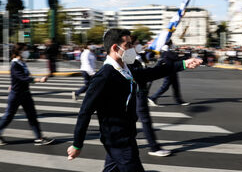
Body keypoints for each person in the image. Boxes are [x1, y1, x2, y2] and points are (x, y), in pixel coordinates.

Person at [67, 29, 202, 171]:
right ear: (115, 47)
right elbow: (85, 111)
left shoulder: (126, 69)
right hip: (118, 140)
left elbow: (152, 73)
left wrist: (184, 64)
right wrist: (77, 144)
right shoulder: (104, 76)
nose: (132, 48)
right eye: (128, 45)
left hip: (126, 135)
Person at [0, 43, 54, 146]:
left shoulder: (22, 63)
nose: (27, 52)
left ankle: (39, 138)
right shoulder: (15, 64)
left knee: (32, 116)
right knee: (9, 116)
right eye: (25, 50)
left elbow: (22, 76)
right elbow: (23, 78)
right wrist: (38, 80)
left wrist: (12, 84)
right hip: (16, 95)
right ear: (19, 51)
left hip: (25, 94)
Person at [129, 36, 171, 157]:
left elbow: (148, 62)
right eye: (137, 43)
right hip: (138, 93)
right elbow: (144, 74)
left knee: (132, 120)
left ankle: (123, 142)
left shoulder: (138, 57)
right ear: (131, 46)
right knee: (146, 120)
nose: (139, 45)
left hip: (140, 92)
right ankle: (154, 147)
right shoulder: (131, 60)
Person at [148, 41, 189, 106]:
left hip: (172, 71)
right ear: (169, 45)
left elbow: (175, 58)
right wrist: (186, 55)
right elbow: (177, 58)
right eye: (171, 44)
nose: (173, 45)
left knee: (175, 86)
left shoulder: (166, 52)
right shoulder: (167, 52)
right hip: (168, 71)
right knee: (165, 86)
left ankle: (179, 101)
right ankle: (153, 98)